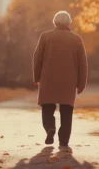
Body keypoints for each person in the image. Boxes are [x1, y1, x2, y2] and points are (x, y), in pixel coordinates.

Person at [32, 10, 88, 147]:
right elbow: (83, 63)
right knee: (66, 111)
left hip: (48, 78)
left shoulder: (45, 36)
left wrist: (37, 76)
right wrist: (81, 83)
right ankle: (63, 141)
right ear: (69, 22)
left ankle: (50, 127)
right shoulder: (76, 39)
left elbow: (37, 58)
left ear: (54, 22)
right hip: (69, 81)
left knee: (47, 108)